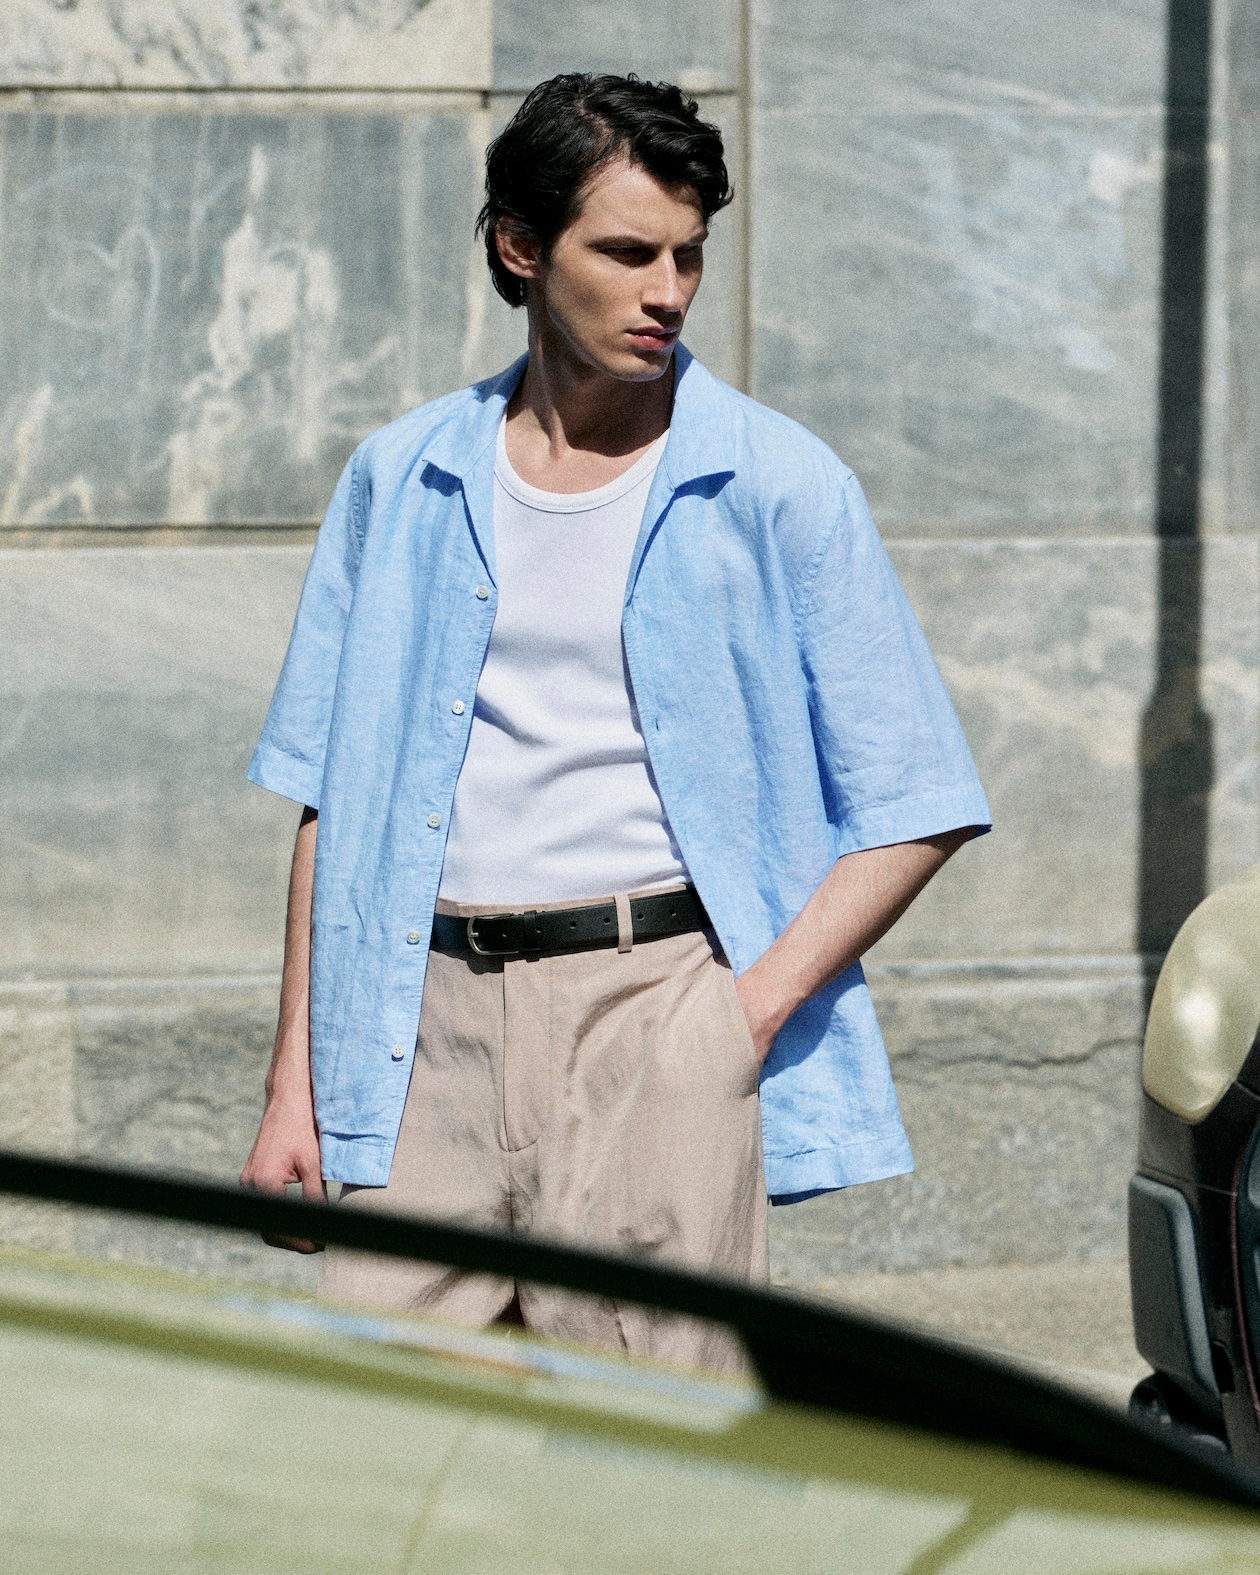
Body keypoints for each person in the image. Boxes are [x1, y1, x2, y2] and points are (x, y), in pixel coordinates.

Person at [241, 73, 991, 1372]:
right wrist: (291, 1082)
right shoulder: (404, 476)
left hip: (657, 1006)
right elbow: (330, 797)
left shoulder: (778, 484)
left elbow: (917, 800)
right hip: (420, 1027)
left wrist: (736, 1022)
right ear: (521, 246)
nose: (669, 293)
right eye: (628, 252)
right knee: (376, 1467)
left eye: (690, 255)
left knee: (659, 1476)